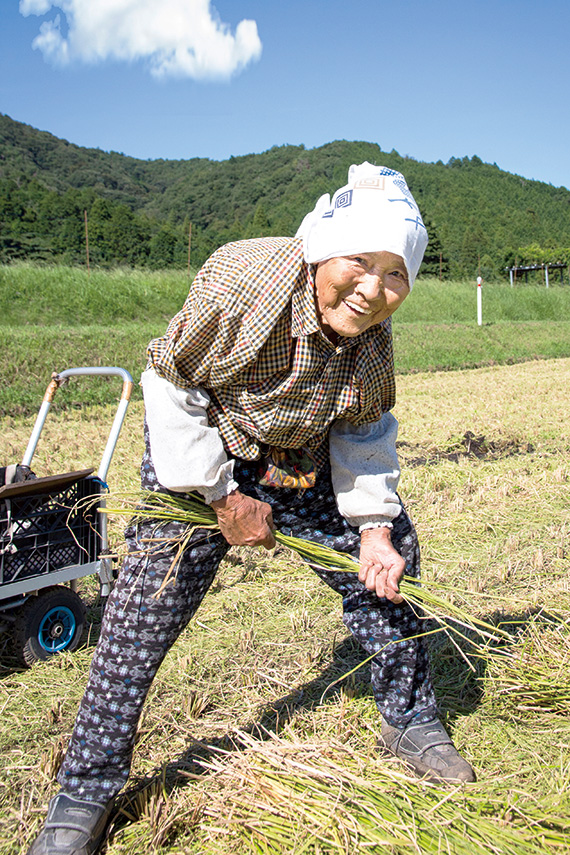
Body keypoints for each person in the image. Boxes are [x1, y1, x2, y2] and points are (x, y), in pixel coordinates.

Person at [28, 162, 474, 855]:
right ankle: (85, 786)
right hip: (206, 445)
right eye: (360, 261)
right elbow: (169, 381)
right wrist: (221, 494)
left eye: (395, 274)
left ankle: (409, 718)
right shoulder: (246, 283)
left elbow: (362, 434)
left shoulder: (372, 346)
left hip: (301, 459)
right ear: (326, 245)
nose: (372, 290)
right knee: (142, 611)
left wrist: (377, 530)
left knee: (389, 567)